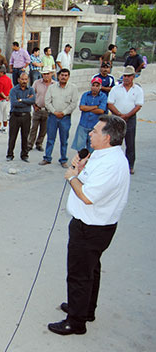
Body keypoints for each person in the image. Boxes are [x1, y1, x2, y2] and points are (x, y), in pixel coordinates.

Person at [48, 115, 130, 335]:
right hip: (93, 225)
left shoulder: (111, 164)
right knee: (90, 270)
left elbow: (87, 196)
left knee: (79, 274)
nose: (90, 133)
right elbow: (91, 183)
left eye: (95, 131)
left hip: (91, 228)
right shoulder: (103, 155)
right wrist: (82, 167)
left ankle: (75, 322)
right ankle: (85, 309)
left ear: (108, 137)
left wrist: (72, 176)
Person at [107, 66, 144, 175]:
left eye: (129, 76)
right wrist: (119, 114)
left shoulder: (138, 90)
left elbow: (138, 105)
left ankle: (130, 165)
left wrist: (127, 115)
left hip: (130, 119)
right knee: (113, 142)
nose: (126, 78)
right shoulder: (115, 89)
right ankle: (111, 165)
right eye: (125, 76)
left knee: (130, 142)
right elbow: (110, 103)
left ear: (133, 77)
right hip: (116, 118)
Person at [40, 69, 78, 168]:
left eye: (66, 75)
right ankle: (47, 158)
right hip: (52, 116)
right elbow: (47, 102)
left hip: (65, 118)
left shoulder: (73, 88)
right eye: (62, 75)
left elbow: (73, 103)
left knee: (64, 139)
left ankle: (63, 159)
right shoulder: (52, 88)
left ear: (68, 77)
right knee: (50, 138)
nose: (63, 77)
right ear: (58, 76)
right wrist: (54, 112)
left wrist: (63, 113)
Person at [72, 77, 107, 153]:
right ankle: (80, 162)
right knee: (80, 147)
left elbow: (101, 110)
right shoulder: (85, 95)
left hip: (95, 125)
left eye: (97, 86)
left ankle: (89, 163)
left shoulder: (103, 96)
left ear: (100, 87)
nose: (95, 88)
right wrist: (95, 106)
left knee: (92, 148)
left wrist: (87, 108)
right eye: (93, 85)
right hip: (83, 124)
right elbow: (81, 107)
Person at [7, 73, 35, 162]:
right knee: (12, 136)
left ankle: (24, 155)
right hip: (15, 116)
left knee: (25, 136)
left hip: (26, 116)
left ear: (28, 80)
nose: (24, 81)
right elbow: (14, 103)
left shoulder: (31, 90)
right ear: (19, 80)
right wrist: (27, 101)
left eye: (26, 79)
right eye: (22, 79)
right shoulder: (14, 90)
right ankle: (10, 154)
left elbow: (33, 101)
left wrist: (21, 100)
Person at [28, 66, 55, 152]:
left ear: (51, 74)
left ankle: (39, 143)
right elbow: (31, 94)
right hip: (38, 108)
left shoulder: (55, 85)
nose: (46, 76)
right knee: (33, 128)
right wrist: (34, 105)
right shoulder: (37, 83)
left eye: (48, 74)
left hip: (48, 110)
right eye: (44, 74)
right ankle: (29, 144)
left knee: (44, 129)